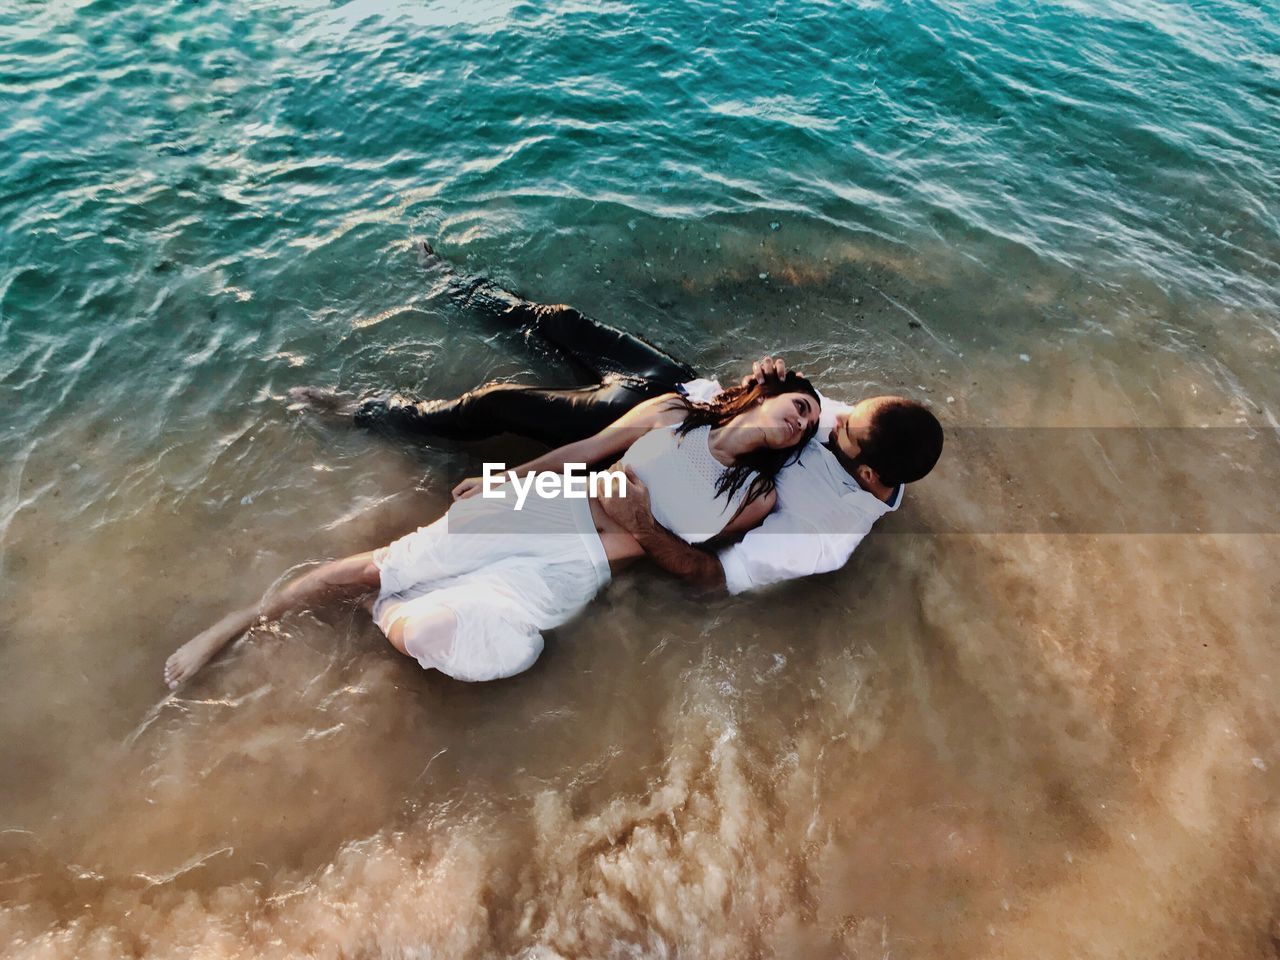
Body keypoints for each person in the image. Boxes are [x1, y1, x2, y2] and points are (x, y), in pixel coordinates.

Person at [292, 241, 945, 595]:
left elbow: (710, 575)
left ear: (862, 472)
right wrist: (768, 388)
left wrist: (640, 527)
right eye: (837, 412)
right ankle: (446, 279)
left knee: (493, 405)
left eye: (840, 429)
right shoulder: (861, 433)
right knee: (556, 322)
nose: (829, 418)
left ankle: (362, 415)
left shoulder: (821, 538)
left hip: (646, 445)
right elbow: (803, 404)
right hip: (680, 394)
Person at [164, 372, 822, 689]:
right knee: (378, 566)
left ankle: (387, 614)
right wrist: (507, 479)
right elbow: (584, 452)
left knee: (488, 651)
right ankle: (239, 622)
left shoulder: (757, 493)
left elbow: (694, 568)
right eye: (799, 405)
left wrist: (643, 523)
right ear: (768, 394)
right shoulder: (675, 413)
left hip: (582, 565)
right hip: (546, 504)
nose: (801, 422)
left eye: (812, 424)